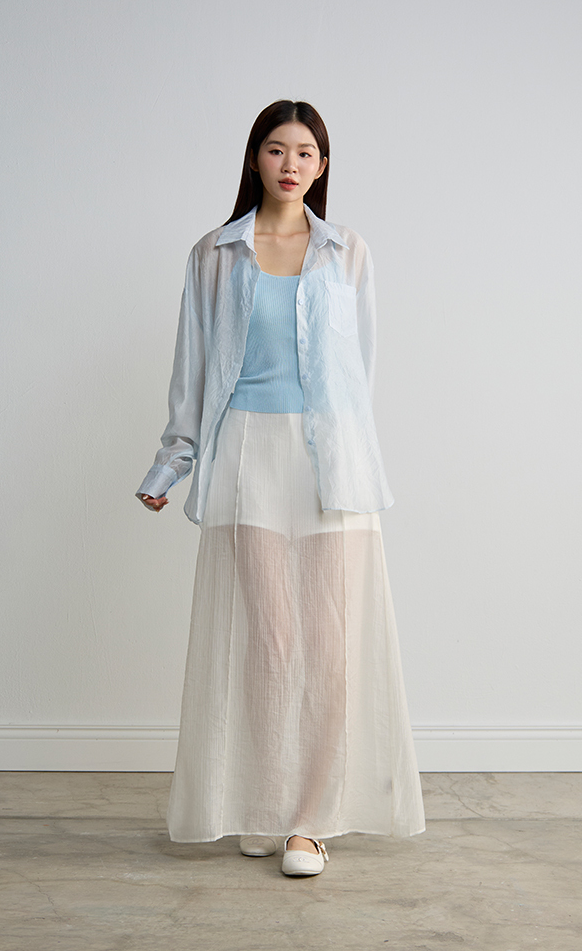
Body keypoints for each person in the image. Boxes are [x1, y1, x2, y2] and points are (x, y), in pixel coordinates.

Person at [136, 100, 425, 877]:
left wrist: (354, 454)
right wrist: (172, 463)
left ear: (322, 166)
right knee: (270, 642)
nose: (290, 163)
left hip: (330, 460)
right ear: (254, 158)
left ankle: (310, 820)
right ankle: (266, 805)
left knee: (329, 647)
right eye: (275, 148)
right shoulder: (213, 254)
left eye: (305, 152)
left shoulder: (347, 252)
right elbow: (194, 366)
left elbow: (361, 371)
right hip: (247, 456)